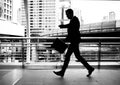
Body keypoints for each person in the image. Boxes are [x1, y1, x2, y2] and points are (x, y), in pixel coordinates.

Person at [53, 9, 94, 77]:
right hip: (74, 41)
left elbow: (71, 27)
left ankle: (62, 72)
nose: (66, 16)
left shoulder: (75, 19)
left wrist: (63, 26)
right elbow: (71, 30)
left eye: (67, 14)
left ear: (70, 13)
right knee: (77, 56)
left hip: (74, 42)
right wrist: (66, 38)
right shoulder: (73, 20)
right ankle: (90, 68)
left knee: (68, 56)